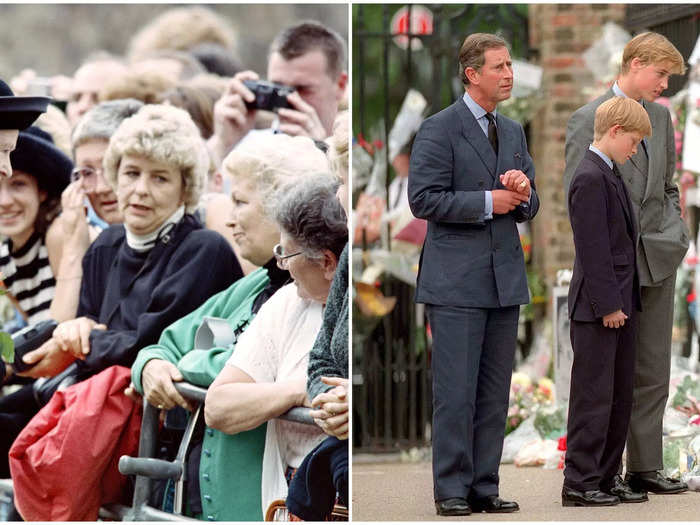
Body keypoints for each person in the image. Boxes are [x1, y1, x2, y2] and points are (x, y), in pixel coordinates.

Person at [1, 104, 242, 479]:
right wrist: (77, 335)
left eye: (160, 178)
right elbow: (90, 343)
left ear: (185, 188)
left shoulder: (203, 249)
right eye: (131, 173)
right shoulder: (106, 245)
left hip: (156, 434)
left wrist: (81, 340)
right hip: (90, 407)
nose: (140, 190)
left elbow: (145, 345)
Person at [128, 133, 330, 521]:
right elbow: (162, 345)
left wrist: (193, 367)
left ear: (283, 208)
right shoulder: (252, 284)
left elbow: (214, 366)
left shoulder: (314, 297)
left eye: (240, 202)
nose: (230, 218)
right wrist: (151, 367)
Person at [408, 33, 540, 517]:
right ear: (472, 74)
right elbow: (423, 199)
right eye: (500, 67)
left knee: (493, 393)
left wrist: (523, 190)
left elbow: (531, 205)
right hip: (456, 282)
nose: (509, 75)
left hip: (504, 279)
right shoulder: (439, 129)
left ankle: (486, 485)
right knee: (456, 393)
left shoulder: (514, 132)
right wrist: (489, 201)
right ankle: (452, 489)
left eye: (510, 66)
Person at [563, 32, 689, 495]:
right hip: (617, 267)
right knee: (607, 376)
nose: (664, 85)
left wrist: (676, 232)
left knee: (653, 367)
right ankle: (600, 472)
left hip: (660, 258)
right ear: (635, 64)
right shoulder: (587, 119)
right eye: (661, 74)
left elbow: (669, 185)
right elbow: (581, 199)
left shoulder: (662, 118)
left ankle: (645, 466)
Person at [205, 173, 347, 517]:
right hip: (296, 502)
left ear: (328, 262)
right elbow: (218, 405)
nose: (281, 264)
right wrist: (299, 391)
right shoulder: (288, 303)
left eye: (287, 253)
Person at [563, 97, 651, 507]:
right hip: (600, 306)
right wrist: (609, 305)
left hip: (622, 302)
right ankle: (580, 481)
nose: (634, 150)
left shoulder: (610, 172)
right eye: (633, 141)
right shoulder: (589, 177)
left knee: (619, 393)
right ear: (614, 131)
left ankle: (606, 474)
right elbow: (593, 248)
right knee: (593, 395)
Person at [286, 112, 350, 520]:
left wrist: (353, 401)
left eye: (345, 182)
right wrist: (327, 401)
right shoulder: (348, 259)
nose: (340, 195)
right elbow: (321, 358)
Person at [46, 98, 144, 321]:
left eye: (113, 167)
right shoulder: (82, 238)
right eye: (87, 172)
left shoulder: (206, 222)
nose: (101, 188)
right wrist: (73, 247)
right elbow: (59, 334)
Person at [207, 20, 347, 165]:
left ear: (340, 85)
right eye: (277, 88)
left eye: (302, 89)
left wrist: (320, 154)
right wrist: (222, 143)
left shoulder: (348, 153)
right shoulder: (247, 148)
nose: (287, 99)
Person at [0, 126, 72, 331]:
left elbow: (63, 330)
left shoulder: (59, 234)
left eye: (18, 184)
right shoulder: (4, 260)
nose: (4, 201)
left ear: (42, 191)